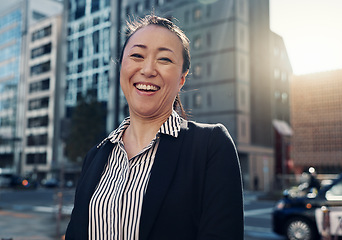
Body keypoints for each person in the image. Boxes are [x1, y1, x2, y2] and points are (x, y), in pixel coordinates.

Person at [65, 14, 244, 240]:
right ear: (122, 68)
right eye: (137, 55)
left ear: (182, 79)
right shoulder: (95, 156)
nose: (148, 70)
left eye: (165, 59)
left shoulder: (211, 146)